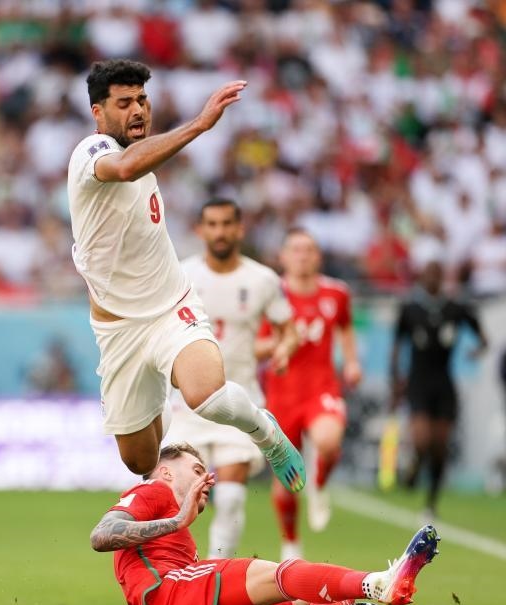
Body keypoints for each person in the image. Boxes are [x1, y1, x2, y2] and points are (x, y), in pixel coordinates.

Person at [66, 58, 304, 492]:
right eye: (124, 103)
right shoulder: (91, 152)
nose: (138, 110)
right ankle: (158, 391)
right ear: (98, 112)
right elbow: (124, 167)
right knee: (139, 460)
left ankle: (265, 433)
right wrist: (199, 125)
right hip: (119, 331)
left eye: (142, 100)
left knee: (205, 395)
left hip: (170, 309)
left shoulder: (142, 156)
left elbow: (134, 164)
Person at [90, 443, 440, 605]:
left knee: (314, 593)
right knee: (281, 574)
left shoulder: (177, 538)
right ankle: (378, 583)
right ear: (166, 471)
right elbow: (101, 535)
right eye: (197, 470)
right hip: (166, 600)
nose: (207, 478)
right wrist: (178, 519)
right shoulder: (153, 489)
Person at [167, 198, 298, 559]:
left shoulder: (263, 279)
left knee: (230, 498)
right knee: (173, 495)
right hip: (188, 405)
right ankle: (175, 571)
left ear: (240, 229)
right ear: (200, 230)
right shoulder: (181, 275)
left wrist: (284, 349)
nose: (220, 232)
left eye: (227, 224)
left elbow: (288, 329)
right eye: (212, 224)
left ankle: (214, 573)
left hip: (240, 402)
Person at [263, 227, 361, 560]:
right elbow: (256, 344)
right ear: (283, 256)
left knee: (329, 441)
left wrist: (351, 362)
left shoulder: (337, 293)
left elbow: (345, 327)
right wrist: (279, 348)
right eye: (296, 249)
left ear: (318, 256)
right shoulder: (271, 295)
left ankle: (318, 484)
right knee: (286, 480)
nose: (303, 256)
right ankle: (291, 543)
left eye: (309, 249)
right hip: (282, 395)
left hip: (321, 388)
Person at [391, 260, 487, 521]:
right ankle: (414, 465)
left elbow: (482, 336)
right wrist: (395, 382)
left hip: (444, 382)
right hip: (418, 382)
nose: (433, 279)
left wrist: (476, 351)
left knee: (440, 445)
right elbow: (397, 346)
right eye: (428, 274)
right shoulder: (410, 309)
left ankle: (431, 502)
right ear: (421, 278)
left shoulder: (455, 308)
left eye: (437, 274)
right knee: (422, 439)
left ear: (443, 278)